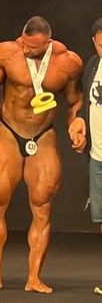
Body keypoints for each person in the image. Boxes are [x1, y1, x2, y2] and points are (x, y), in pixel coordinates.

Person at [0, 16, 83, 293]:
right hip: (9, 133)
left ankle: (34, 278)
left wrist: (76, 123)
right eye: (25, 43)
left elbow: (75, 100)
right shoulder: (6, 53)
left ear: (48, 42)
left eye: (34, 47)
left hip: (42, 135)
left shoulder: (68, 62)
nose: (27, 49)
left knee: (42, 206)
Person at [68, 18, 102, 295]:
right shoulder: (93, 64)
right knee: (101, 219)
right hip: (98, 156)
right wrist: (79, 120)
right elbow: (87, 102)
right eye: (101, 46)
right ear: (94, 43)